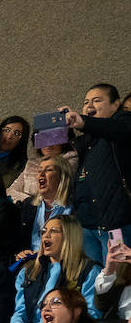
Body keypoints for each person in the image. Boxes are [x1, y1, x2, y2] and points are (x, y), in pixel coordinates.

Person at [60, 83, 131, 263]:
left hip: (116, 226)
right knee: (97, 281)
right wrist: (68, 127)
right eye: (86, 102)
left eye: (97, 100)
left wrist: (84, 121)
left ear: (116, 105)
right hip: (87, 227)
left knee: (120, 279)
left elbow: (119, 129)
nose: (89, 105)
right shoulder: (87, 140)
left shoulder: (124, 122)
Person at [10, 215, 99, 323]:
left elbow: (91, 315)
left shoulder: (88, 271)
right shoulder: (28, 271)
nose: (46, 236)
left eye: (53, 231)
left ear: (69, 236)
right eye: (44, 231)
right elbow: (20, 310)